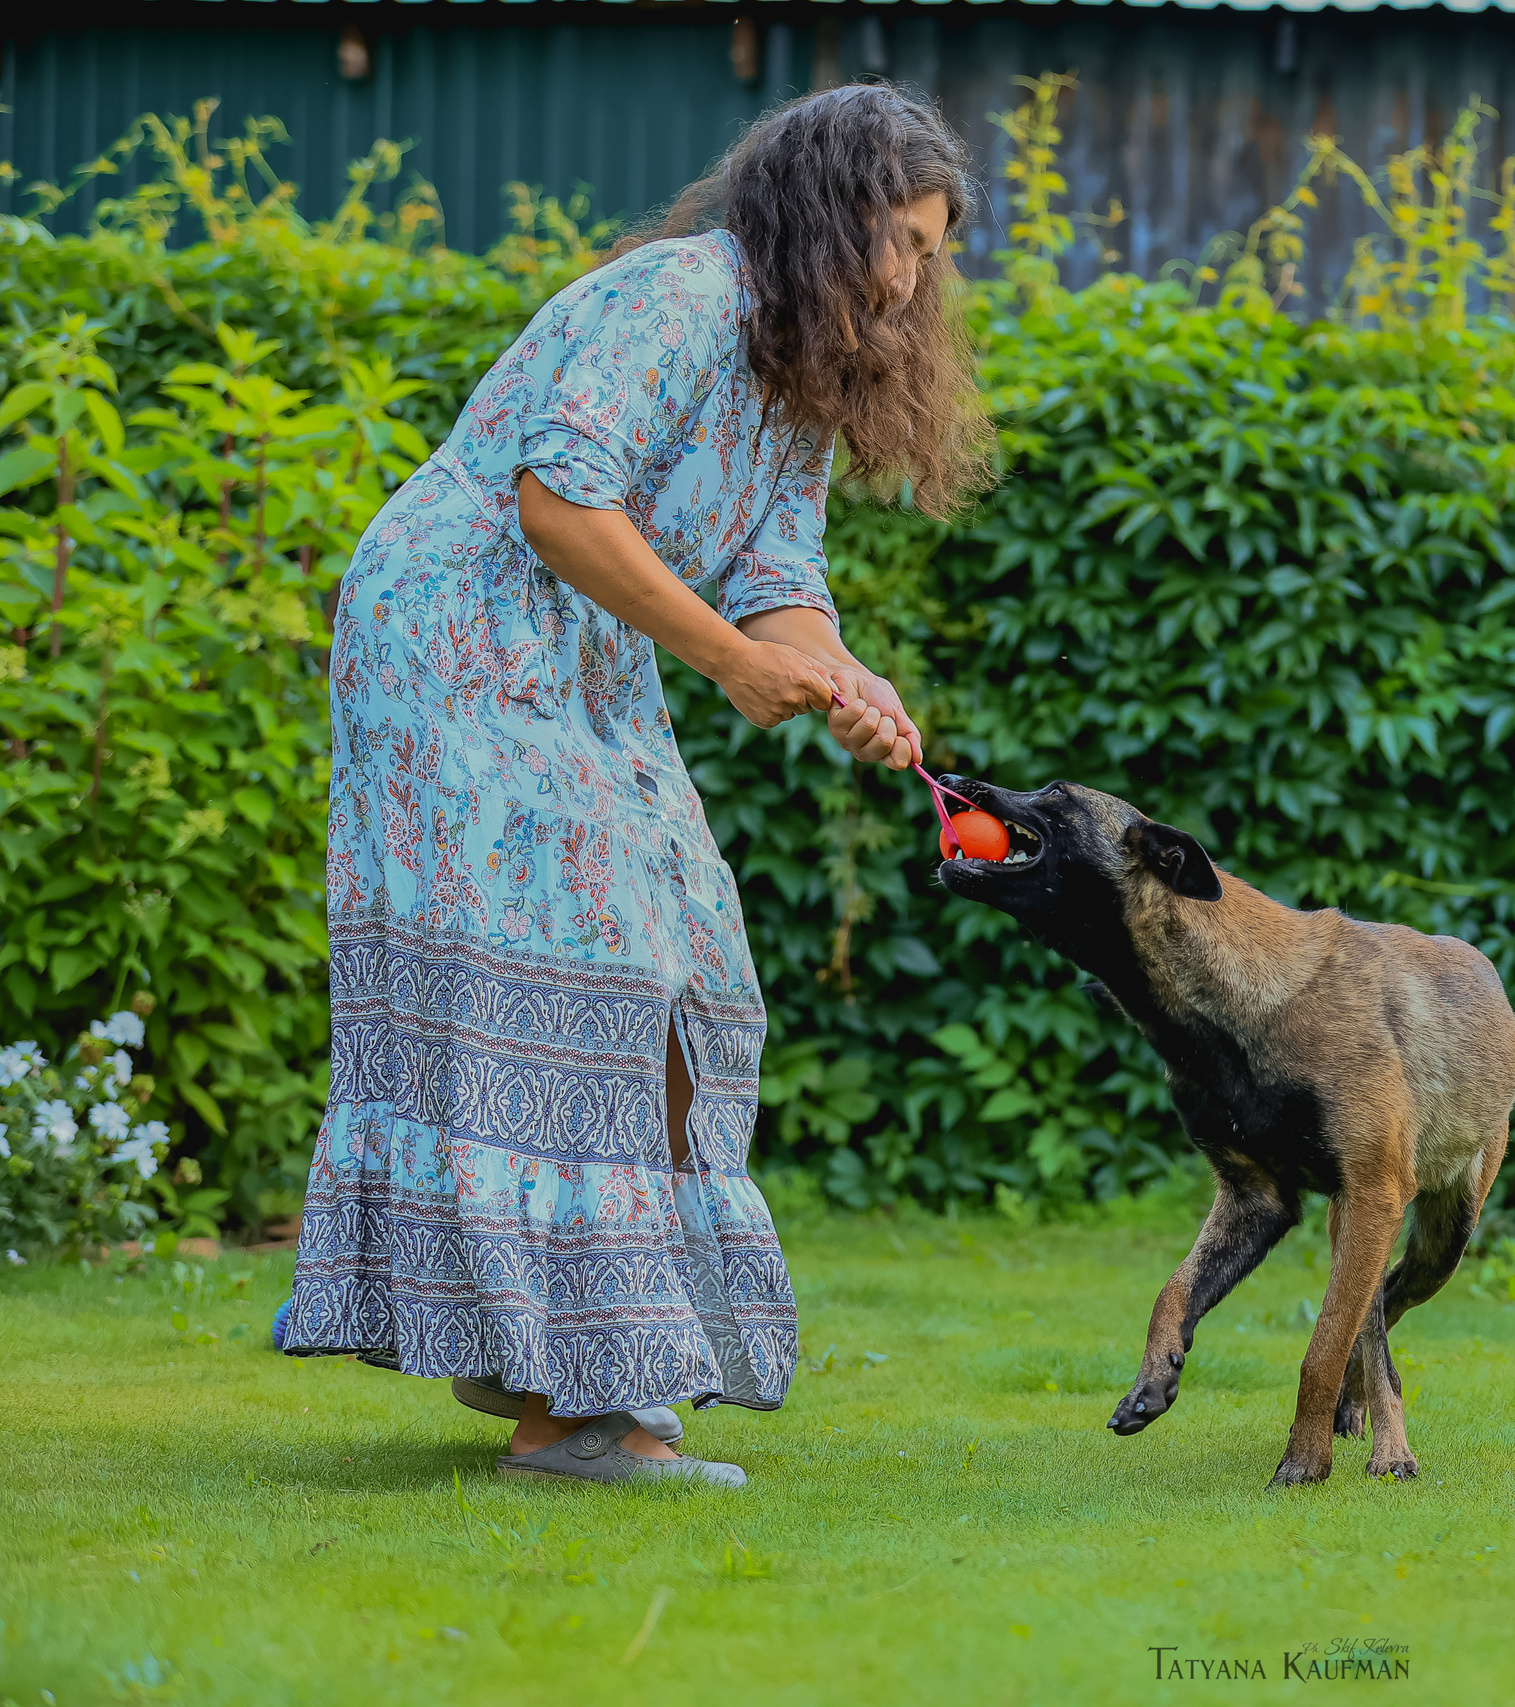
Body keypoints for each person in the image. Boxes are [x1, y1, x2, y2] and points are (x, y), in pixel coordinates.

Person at [279, 85, 992, 1486]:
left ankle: (558, 1348)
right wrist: (730, 662)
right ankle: (576, 1409)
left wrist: (845, 680)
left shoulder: (801, 370)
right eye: (895, 238)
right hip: (453, 638)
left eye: (929, 249)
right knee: (592, 975)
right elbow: (557, 501)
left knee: (695, 980)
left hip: (583, 663)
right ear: (818, 212)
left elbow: (784, 583)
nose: (910, 278)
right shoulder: (679, 295)